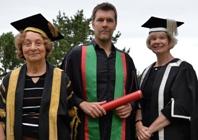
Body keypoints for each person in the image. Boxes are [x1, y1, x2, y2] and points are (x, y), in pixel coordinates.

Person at [61, 2, 139, 140]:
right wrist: (81, 103)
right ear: (92, 24)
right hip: (84, 130)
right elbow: (62, 89)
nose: (105, 24)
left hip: (119, 130)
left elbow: (135, 92)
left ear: (115, 25)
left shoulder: (126, 59)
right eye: (100, 20)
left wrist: (130, 106)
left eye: (109, 20)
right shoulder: (76, 55)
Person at [0, 13, 79, 140]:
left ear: (46, 47)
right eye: (27, 44)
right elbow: (0, 115)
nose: (33, 48)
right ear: (21, 48)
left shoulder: (61, 79)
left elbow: (71, 116)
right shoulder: (9, 80)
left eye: (38, 43)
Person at [135, 16, 198, 140]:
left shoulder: (182, 68)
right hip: (146, 136)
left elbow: (180, 105)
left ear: (170, 41)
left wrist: (150, 130)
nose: (157, 41)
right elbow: (139, 102)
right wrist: (139, 124)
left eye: (162, 38)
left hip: (172, 135)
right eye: (153, 39)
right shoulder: (147, 71)